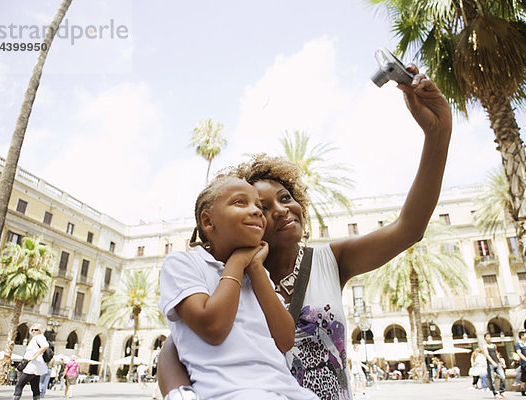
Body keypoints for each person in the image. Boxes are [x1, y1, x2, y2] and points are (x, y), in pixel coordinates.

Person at [157, 64, 452, 400]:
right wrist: (178, 393)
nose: (279, 209)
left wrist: (438, 134)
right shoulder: (222, 275)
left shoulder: (331, 261)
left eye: (286, 198)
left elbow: (409, 228)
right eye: (261, 207)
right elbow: (178, 344)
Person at [158, 175, 319, 400]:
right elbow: (214, 327)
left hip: (290, 392)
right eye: (240, 202)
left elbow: (285, 340)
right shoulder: (183, 264)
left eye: (258, 206)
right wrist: (237, 262)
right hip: (232, 392)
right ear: (208, 221)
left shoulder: (258, 274)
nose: (256, 211)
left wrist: (255, 268)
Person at [12, 324, 49, 400]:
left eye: (36, 330)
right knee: (35, 387)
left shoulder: (38, 337)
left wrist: (35, 356)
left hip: (32, 365)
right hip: (36, 366)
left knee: (19, 385)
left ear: (40, 330)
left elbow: (45, 346)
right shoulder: (36, 338)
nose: (34, 331)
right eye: (32, 330)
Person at [484, 333, 507, 399]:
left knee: (503, 376)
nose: (489, 338)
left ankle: (502, 391)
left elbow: (497, 354)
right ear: (485, 338)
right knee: (492, 379)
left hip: (497, 363)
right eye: (487, 337)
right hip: (490, 364)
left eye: (490, 337)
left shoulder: (494, 345)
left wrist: (501, 363)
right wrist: (492, 362)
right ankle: (495, 393)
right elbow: (487, 355)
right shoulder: (485, 346)